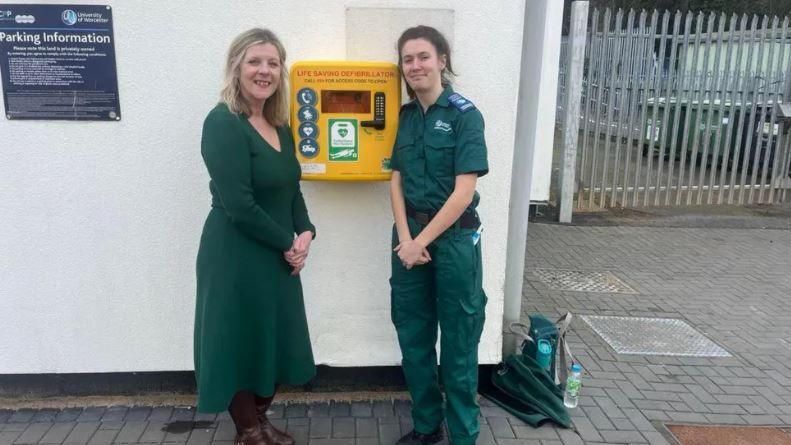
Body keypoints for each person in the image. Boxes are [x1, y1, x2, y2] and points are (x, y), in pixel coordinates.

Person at [194, 28, 316, 445]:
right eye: (255, 62)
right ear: (236, 67)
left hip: (277, 252)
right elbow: (240, 206)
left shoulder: (279, 124)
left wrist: (306, 233)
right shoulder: (222, 123)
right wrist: (288, 243)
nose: (264, 71)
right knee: (237, 342)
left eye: (273, 63)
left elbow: (291, 187)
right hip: (235, 253)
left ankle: (261, 421)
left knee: (273, 337)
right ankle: (248, 431)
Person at [389, 25, 489, 445]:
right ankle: (427, 425)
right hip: (409, 239)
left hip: (451, 243)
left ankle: (464, 434)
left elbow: (463, 192)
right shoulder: (407, 115)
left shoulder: (466, 115)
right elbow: (395, 178)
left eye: (423, 56)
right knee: (413, 336)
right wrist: (407, 238)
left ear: (442, 60)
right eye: (407, 59)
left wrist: (421, 241)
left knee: (460, 343)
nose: (415, 65)